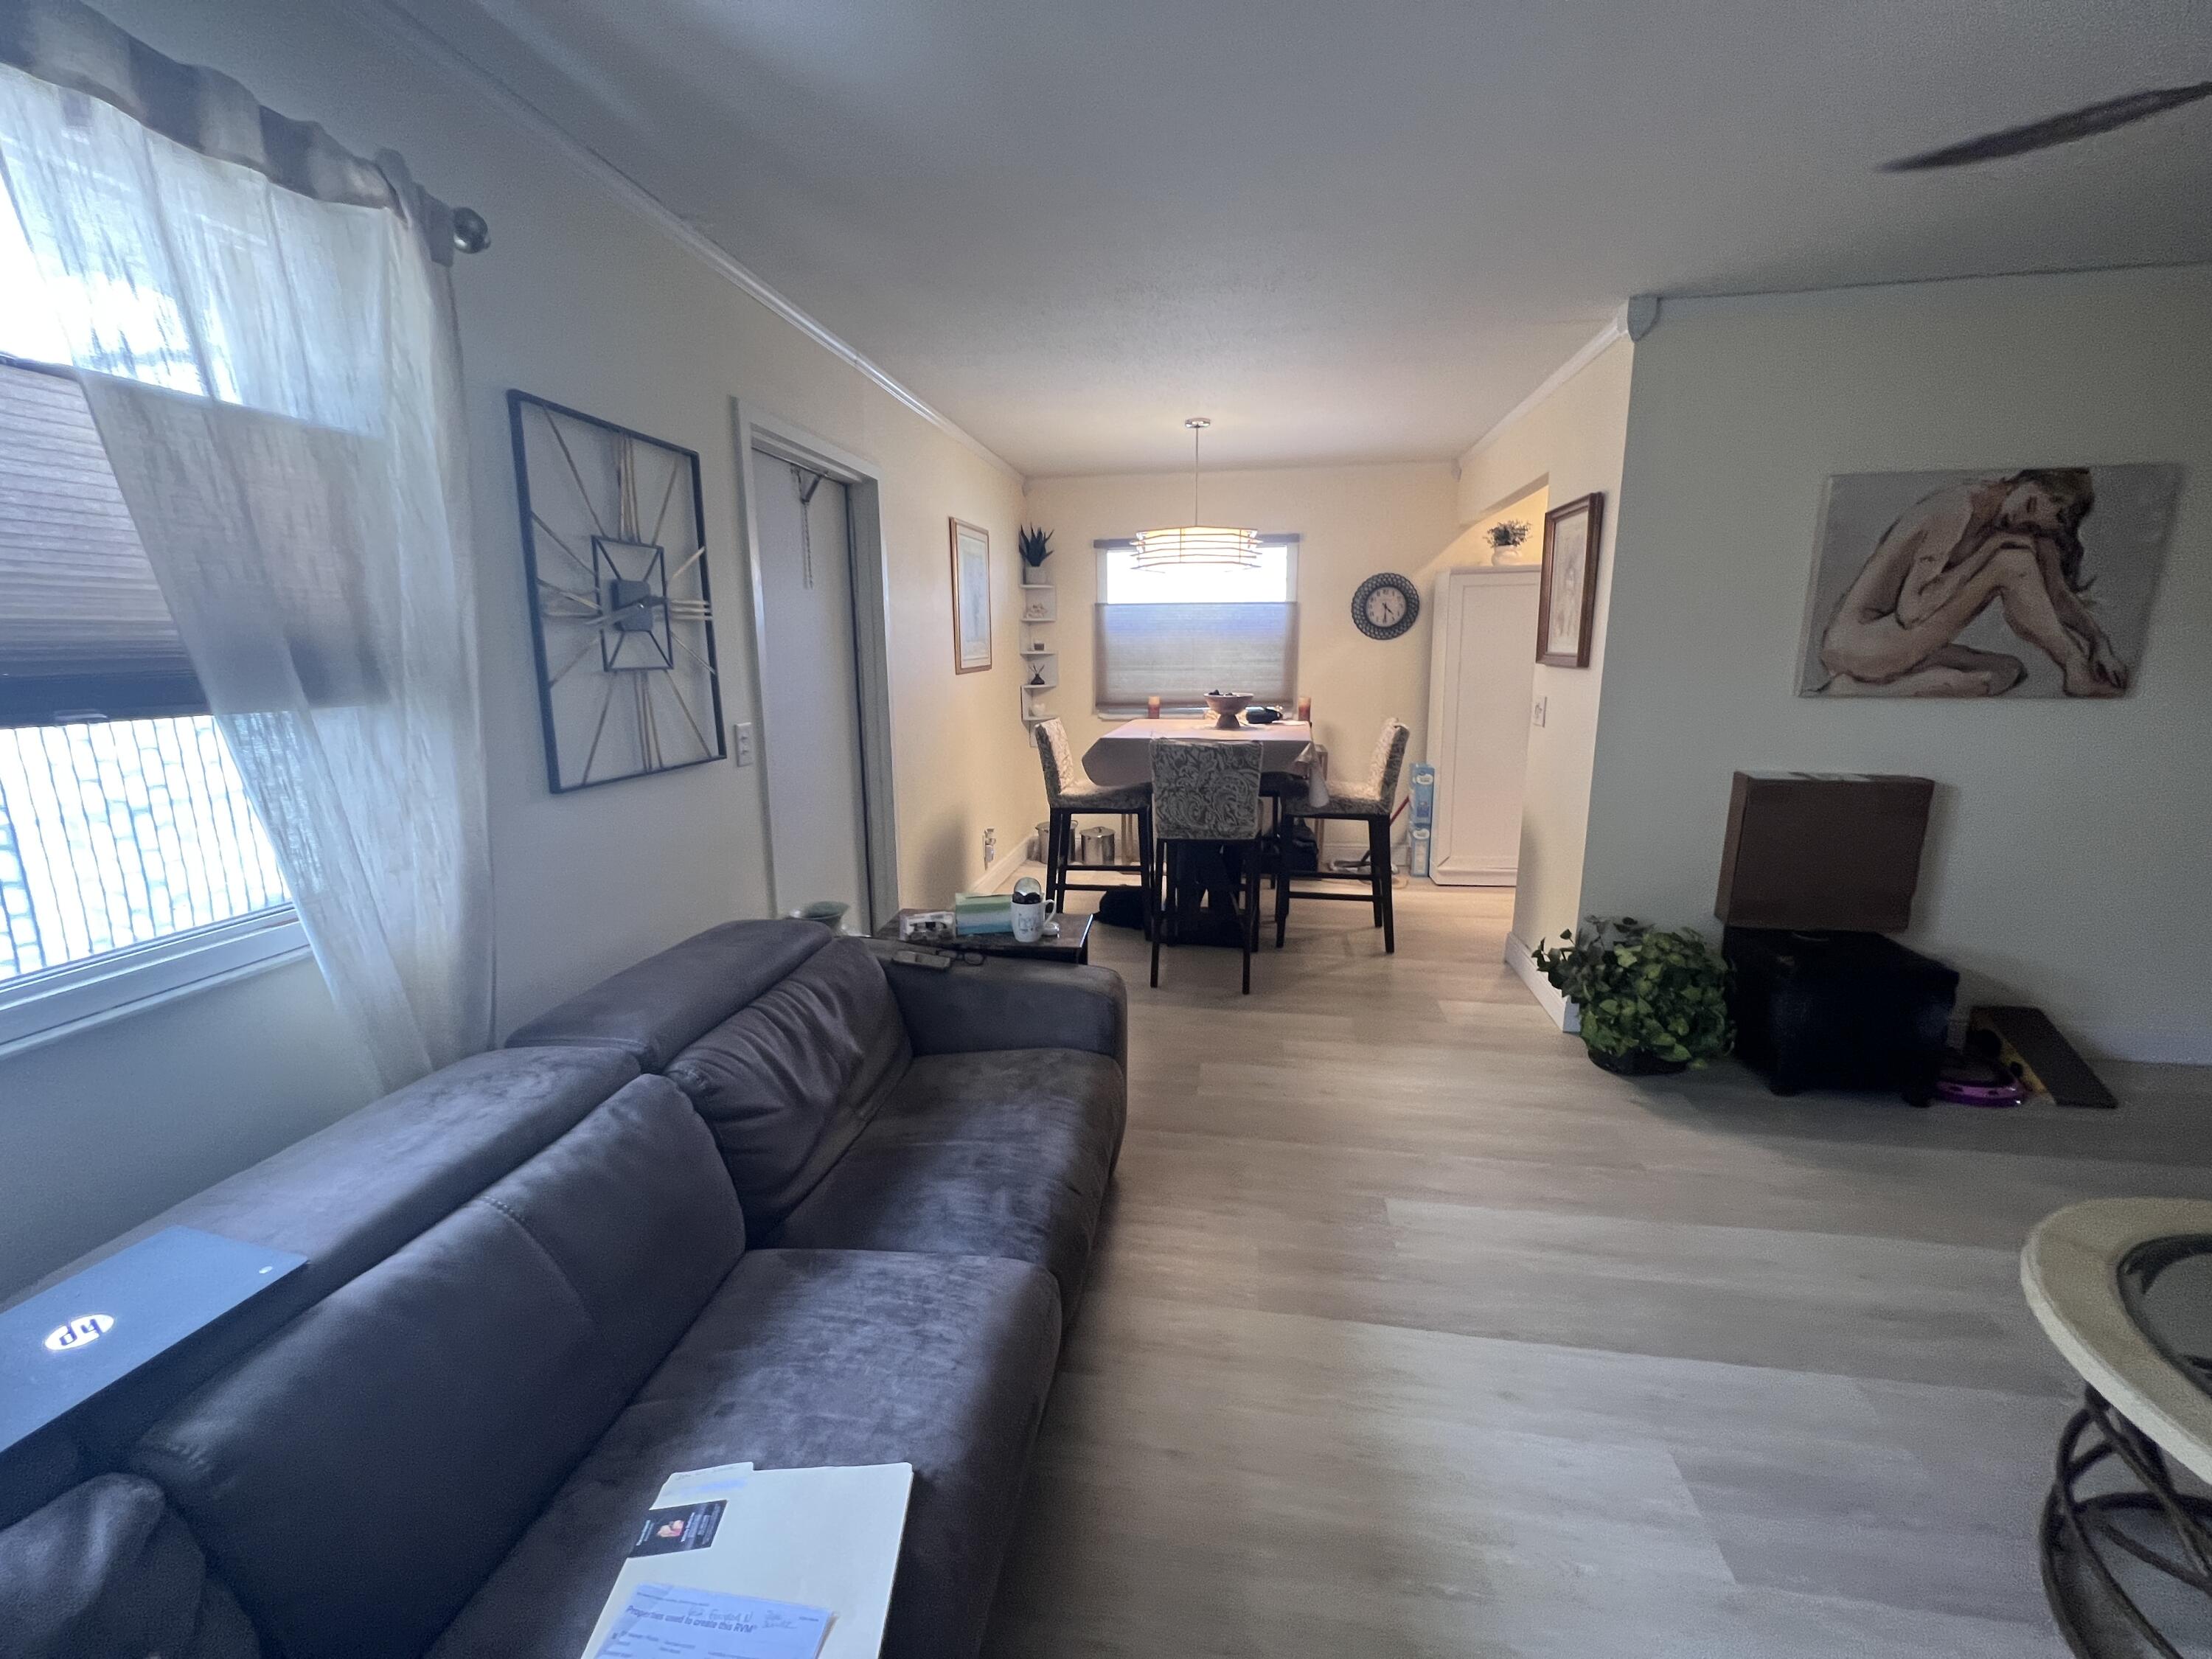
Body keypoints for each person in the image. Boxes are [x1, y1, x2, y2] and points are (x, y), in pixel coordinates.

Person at [1815, 469, 2127, 698]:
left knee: (2007, 672)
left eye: (2033, 524)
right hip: (1858, 642)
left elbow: (2057, 596)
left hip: (1892, 645)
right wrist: (1989, 550)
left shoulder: (2022, 526)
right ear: (2025, 481)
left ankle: (1857, 690)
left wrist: (2099, 642)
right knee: (2012, 562)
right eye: (2029, 505)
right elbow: (1911, 611)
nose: (2020, 521)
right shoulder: (1958, 508)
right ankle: (2075, 667)